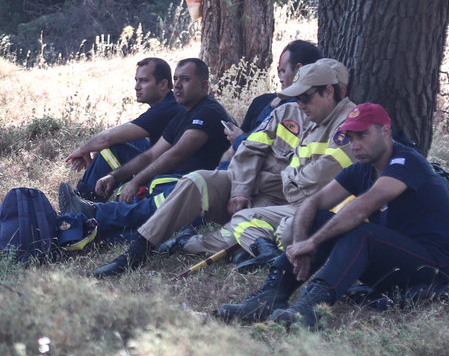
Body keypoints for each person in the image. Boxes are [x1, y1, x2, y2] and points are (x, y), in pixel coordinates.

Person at [89, 60, 355, 278]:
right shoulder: (287, 112)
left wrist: (264, 179)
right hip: (252, 191)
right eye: (296, 97)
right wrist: (241, 189)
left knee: (248, 224)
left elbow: (317, 180)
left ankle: (197, 244)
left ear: (329, 92)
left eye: (305, 97)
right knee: (196, 181)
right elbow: (248, 149)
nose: (300, 105)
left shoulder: (348, 126)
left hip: (294, 204)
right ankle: (138, 250)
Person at [217, 103, 449, 329]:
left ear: (385, 131)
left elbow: (364, 205)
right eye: (351, 137)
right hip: (394, 262)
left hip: (435, 266)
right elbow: (312, 202)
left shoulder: (407, 161)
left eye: (363, 135)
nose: (355, 145)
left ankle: (311, 307)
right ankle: (269, 297)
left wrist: (312, 242)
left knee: (360, 230)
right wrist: (301, 242)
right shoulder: (361, 169)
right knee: (319, 218)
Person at [59, 58, 233, 249]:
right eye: (176, 79)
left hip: (204, 196)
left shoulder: (208, 111)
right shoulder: (183, 114)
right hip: (178, 184)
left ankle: (91, 213)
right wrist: (113, 176)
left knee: (152, 204)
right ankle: (84, 226)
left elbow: (176, 154)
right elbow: (151, 155)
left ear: (204, 85)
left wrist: (136, 181)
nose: (177, 85)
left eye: (185, 79)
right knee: (141, 208)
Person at [65, 57, 183, 200]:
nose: (137, 86)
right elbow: (117, 135)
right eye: (136, 80)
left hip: (172, 174)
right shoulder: (168, 103)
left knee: (112, 149)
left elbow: (107, 138)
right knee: (124, 142)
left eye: (144, 80)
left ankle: (85, 200)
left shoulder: (166, 109)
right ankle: (91, 190)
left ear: (163, 84)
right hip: (166, 163)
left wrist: (83, 149)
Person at [217, 40, 323, 168]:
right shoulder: (262, 101)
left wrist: (240, 139)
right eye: (278, 71)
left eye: (283, 71)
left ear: (298, 69)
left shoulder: (298, 110)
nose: (279, 77)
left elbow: (273, 152)